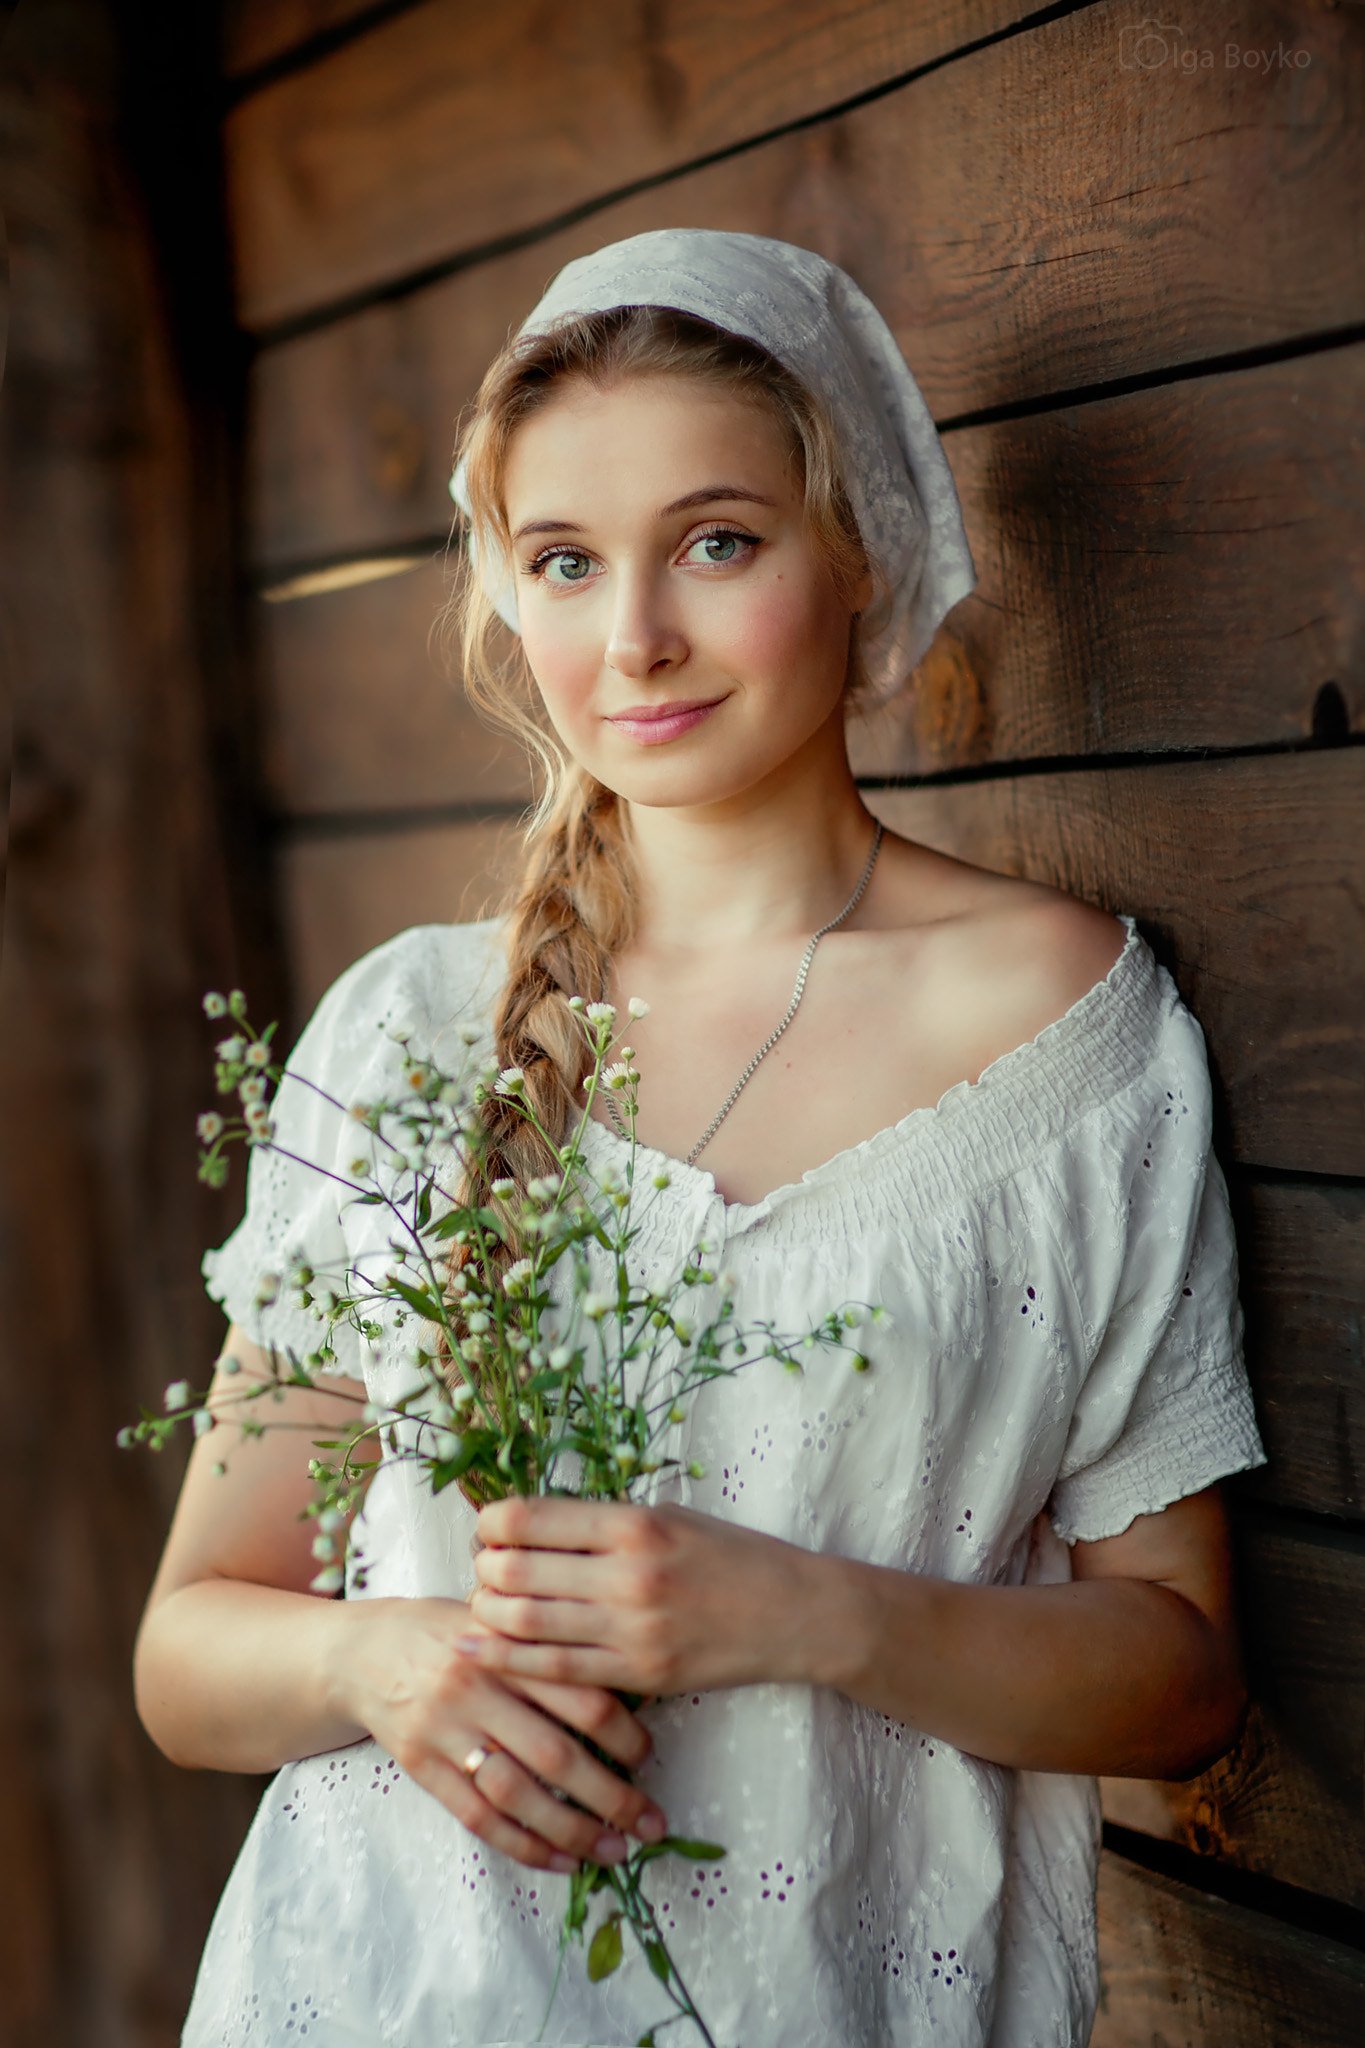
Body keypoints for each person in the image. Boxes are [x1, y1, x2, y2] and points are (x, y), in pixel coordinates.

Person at [134, 230, 1268, 2048]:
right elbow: (190, 1650)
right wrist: (383, 1662)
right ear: (507, 593)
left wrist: (805, 1613)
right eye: (565, 563)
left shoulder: (1064, 1034)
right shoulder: (408, 1034)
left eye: (715, 542)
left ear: (862, 553)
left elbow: (1179, 1676)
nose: (634, 635)